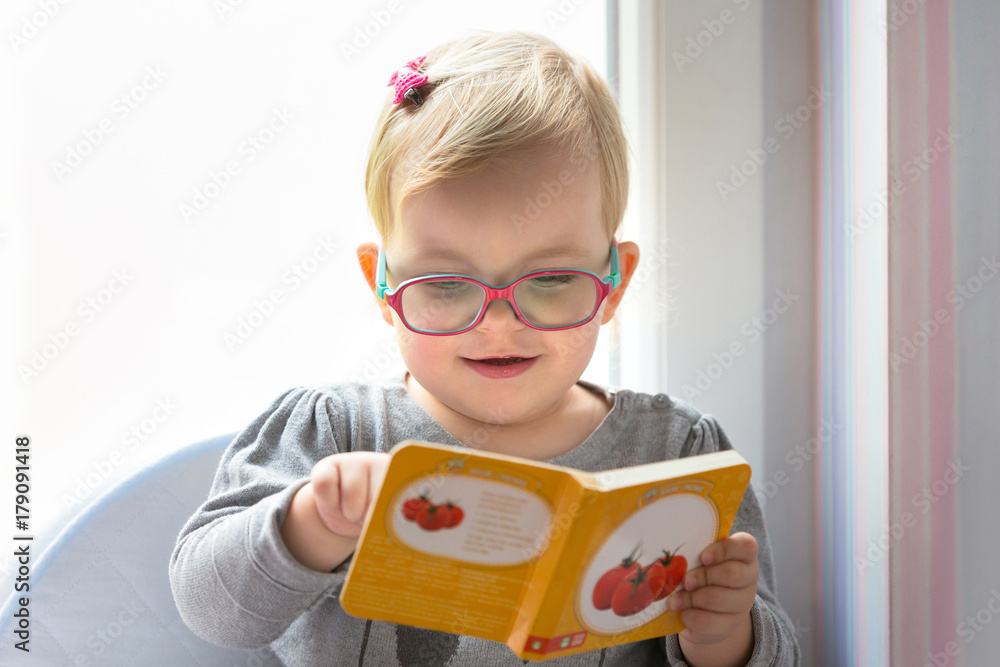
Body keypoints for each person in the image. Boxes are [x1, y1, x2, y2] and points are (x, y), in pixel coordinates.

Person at [170, 29, 800, 666]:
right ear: (383, 286)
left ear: (614, 284)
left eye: (552, 280)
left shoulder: (678, 458)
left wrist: (721, 636)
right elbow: (210, 609)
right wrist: (313, 524)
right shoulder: (336, 432)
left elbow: (778, 656)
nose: (498, 324)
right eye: (444, 283)